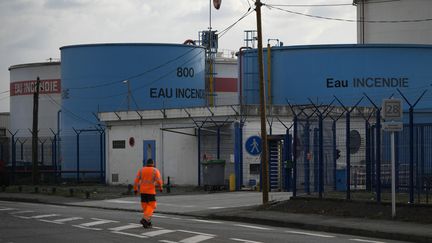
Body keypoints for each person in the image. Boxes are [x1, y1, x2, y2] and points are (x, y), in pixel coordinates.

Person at [134, 158, 163, 228]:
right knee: (152, 206)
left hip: (142, 192)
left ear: (146, 163)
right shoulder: (155, 170)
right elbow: (159, 181)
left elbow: (136, 181)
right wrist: (161, 187)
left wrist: (135, 189)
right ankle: (144, 219)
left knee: (146, 207)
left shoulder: (141, 170)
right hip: (150, 192)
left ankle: (147, 222)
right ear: (153, 163)